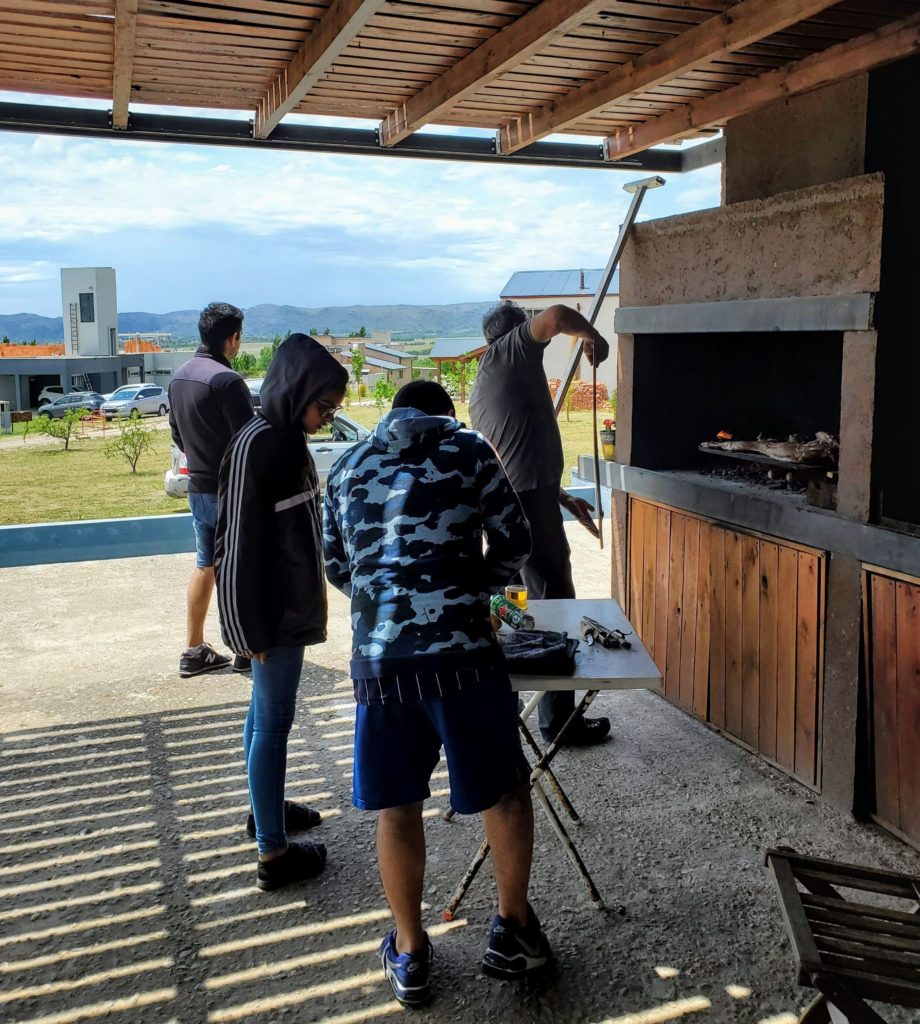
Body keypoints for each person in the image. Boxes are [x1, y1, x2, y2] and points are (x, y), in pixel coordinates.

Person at [323, 379, 550, 1007]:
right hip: (464, 660)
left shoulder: (345, 465)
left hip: (379, 664)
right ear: (444, 416)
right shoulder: (471, 450)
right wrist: (463, 598)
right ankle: (513, 931)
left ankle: (411, 952)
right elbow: (515, 542)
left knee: (397, 807)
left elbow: (338, 567)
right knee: (503, 793)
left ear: (394, 413)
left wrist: (390, 614)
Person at [214, 334, 347, 891]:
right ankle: (273, 854)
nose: (327, 417)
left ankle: (263, 808)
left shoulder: (281, 437)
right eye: (324, 406)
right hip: (271, 616)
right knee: (272, 725)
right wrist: (247, 628)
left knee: (261, 717)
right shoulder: (263, 443)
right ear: (296, 392)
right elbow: (236, 544)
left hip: (285, 608)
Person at [470, 301, 612, 746]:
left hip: (521, 497)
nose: (542, 340)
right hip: (525, 501)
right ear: (514, 334)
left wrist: (561, 496)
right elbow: (555, 314)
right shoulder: (511, 352)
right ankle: (558, 722)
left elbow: (519, 446)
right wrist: (595, 337)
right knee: (556, 600)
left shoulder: (494, 374)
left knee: (505, 604)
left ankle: (495, 711)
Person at [168, 301, 254, 678]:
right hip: (232, 492)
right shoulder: (227, 381)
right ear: (232, 338)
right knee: (243, 568)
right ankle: (246, 648)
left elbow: (176, 435)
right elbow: (250, 441)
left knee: (206, 565)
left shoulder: (179, 377)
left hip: (198, 488)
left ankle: (194, 649)